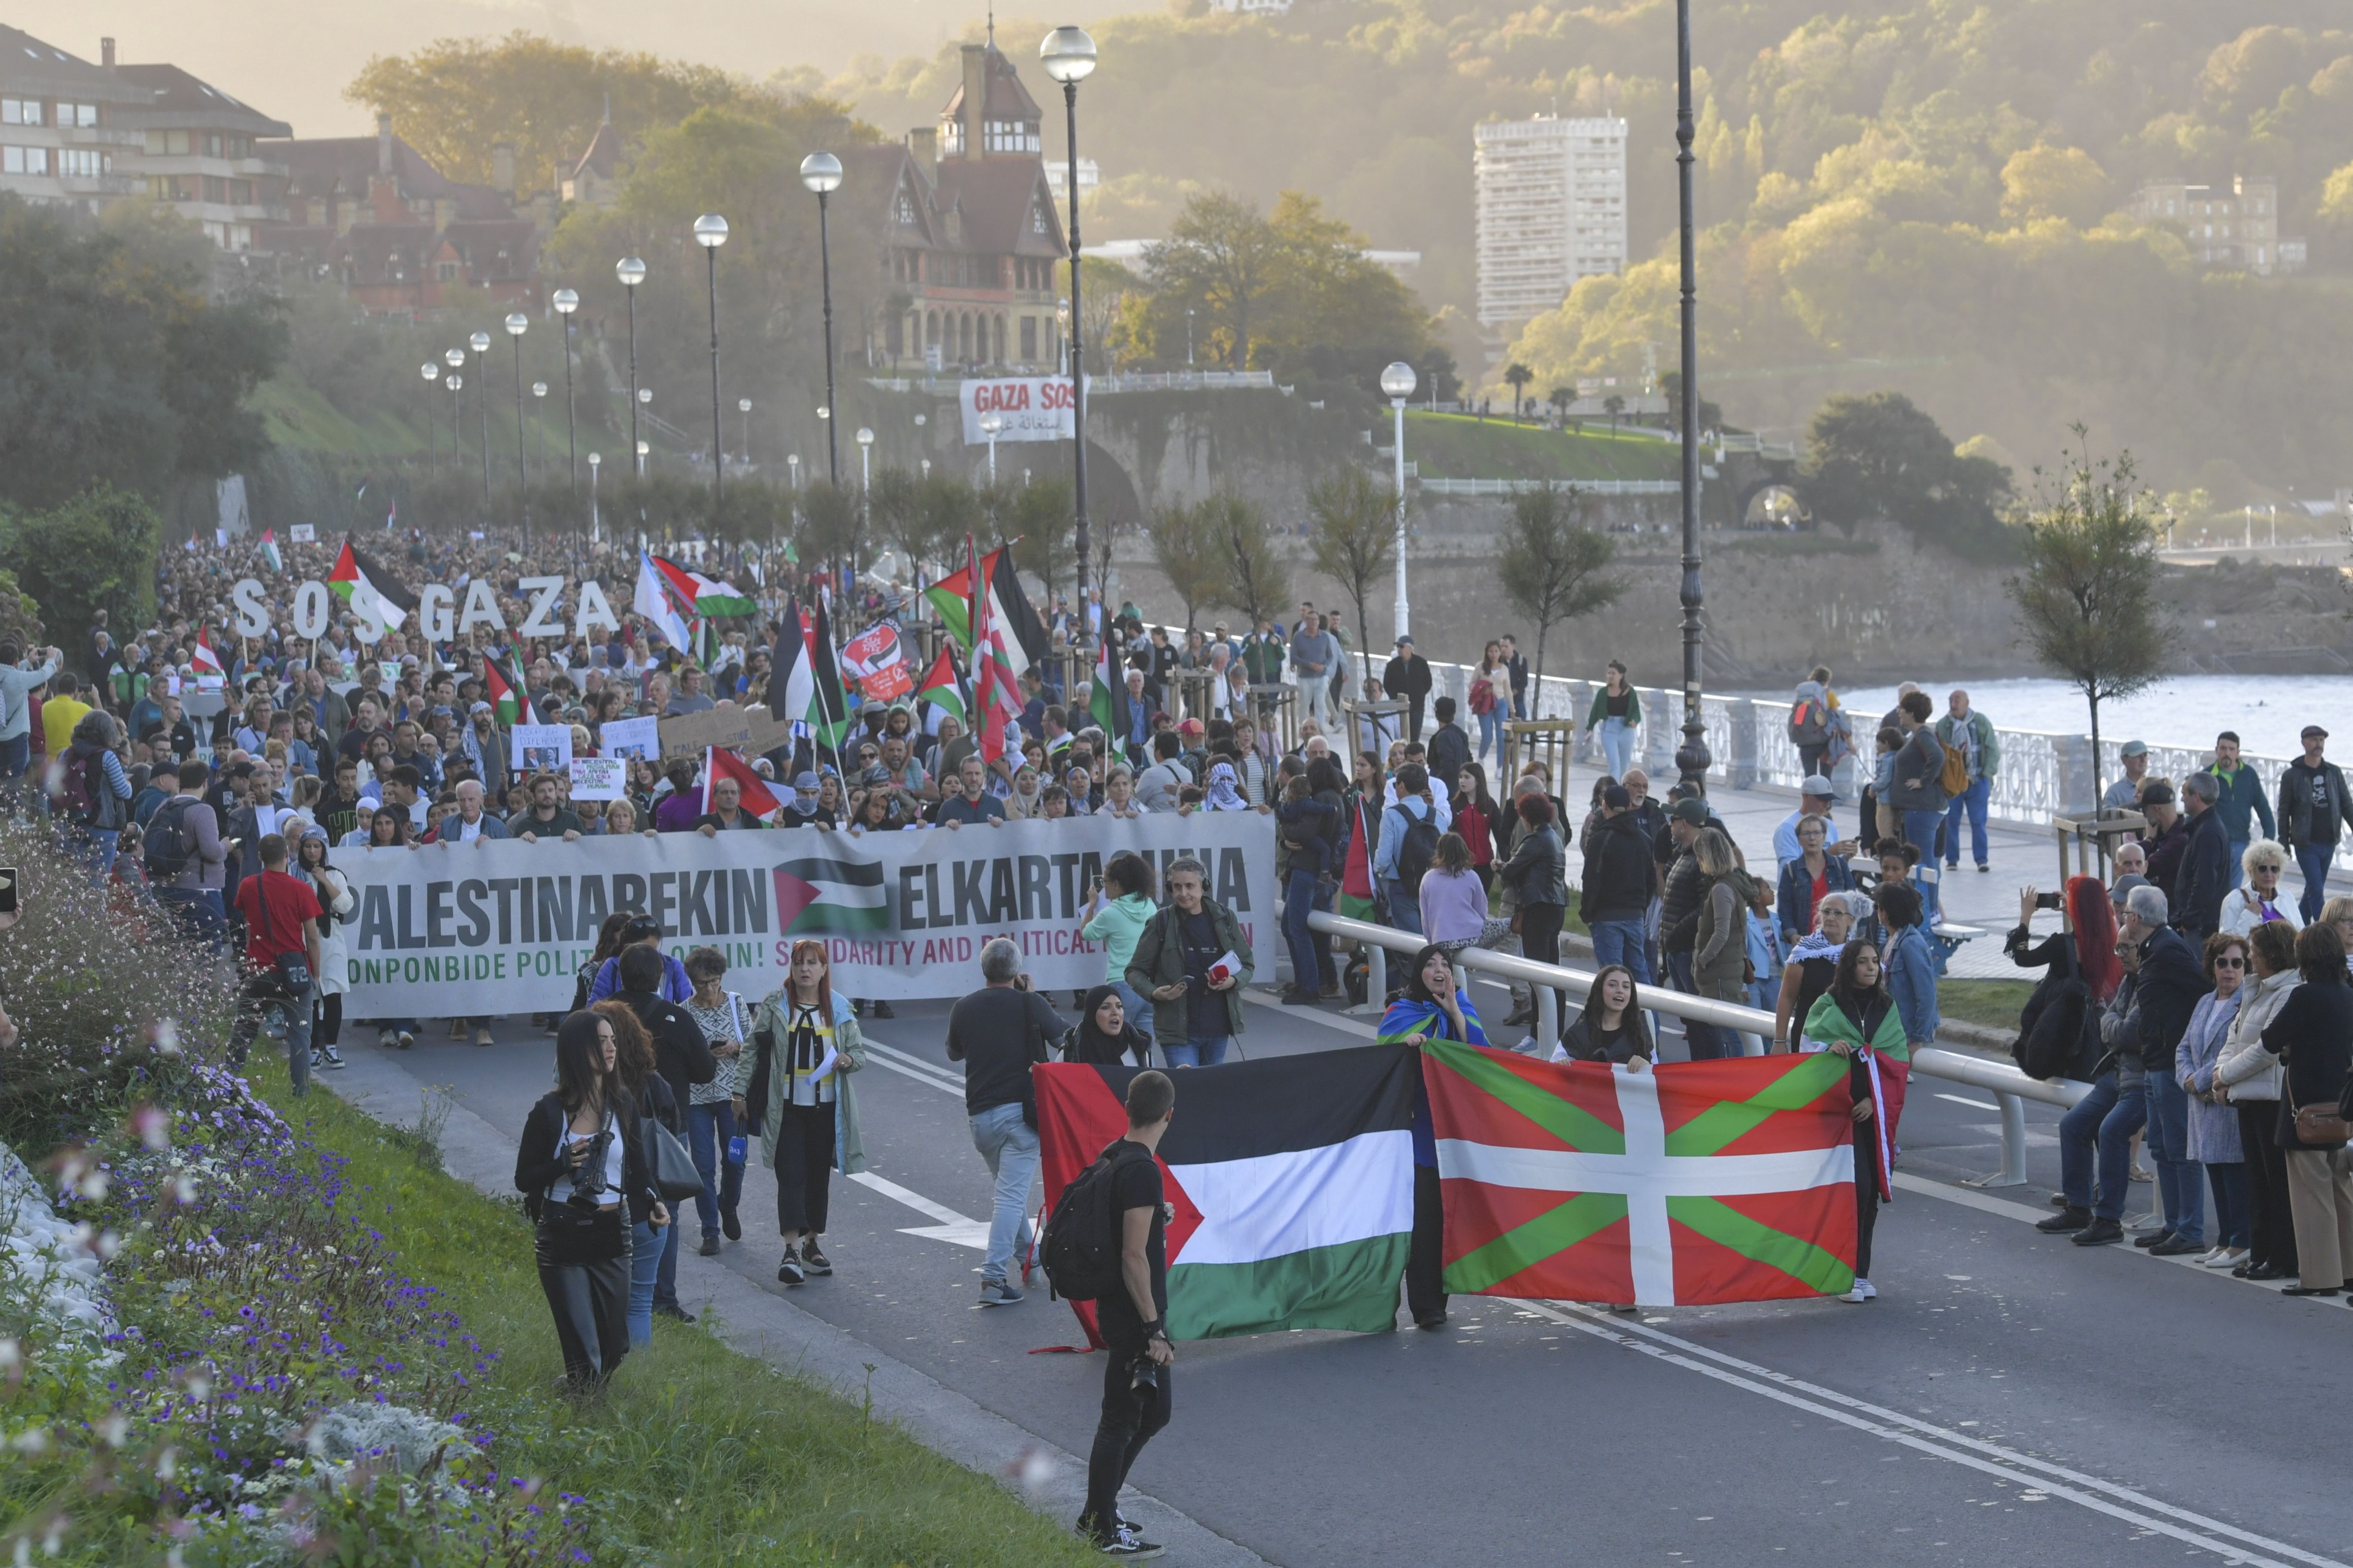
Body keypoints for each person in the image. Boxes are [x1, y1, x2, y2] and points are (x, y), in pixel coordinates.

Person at [516, 1011, 661, 1391]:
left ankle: (575, 1389)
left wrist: (653, 1202)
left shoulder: (623, 1103)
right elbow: (524, 1178)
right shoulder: (549, 1111)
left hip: (613, 1232)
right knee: (585, 1348)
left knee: (615, 1347)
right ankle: (583, 1410)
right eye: (601, 1041)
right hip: (562, 1234)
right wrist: (562, 1163)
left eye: (613, 1039)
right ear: (579, 1049)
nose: (612, 1048)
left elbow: (637, 1170)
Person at [1075, 1070, 1179, 1557]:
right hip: (1134, 1315)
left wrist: (1158, 1212)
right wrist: (1153, 1328)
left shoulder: (1115, 1154)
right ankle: (1100, 1528)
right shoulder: (1142, 1170)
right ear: (1168, 1115)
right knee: (1120, 1419)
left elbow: (1123, 1226)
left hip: (1126, 1310)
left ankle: (1100, 1506)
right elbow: (1133, 1256)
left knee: (1155, 1411)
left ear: (1127, 1108)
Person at [946, 940, 1065, 1306]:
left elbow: (954, 1051)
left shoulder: (965, 1006)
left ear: (984, 969)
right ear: (1017, 969)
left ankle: (1030, 1262)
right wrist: (1030, 999)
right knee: (1011, 1198)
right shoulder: (1030, 1002)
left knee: (1007, 1194)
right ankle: (994, 1277)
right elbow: (1064, 1038)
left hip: (980, 1116)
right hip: (1021, 1115)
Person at [1378, 945, 1487, 1332]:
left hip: (1453, 1134)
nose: (1440, 970)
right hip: (1416, 1131)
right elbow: (1382, 1055)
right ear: (1418, 974)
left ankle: (1437, 1302)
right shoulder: (1401, 1013)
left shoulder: (1465, 1010)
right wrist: (1405, 1048)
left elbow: (1482, 1056)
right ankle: (1420, 1305)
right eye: (1431, 965)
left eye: (1446, 964)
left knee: (1444, 1221)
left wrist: (1455, 1012)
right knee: (1420, 1222)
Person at [746, 940, 865, 1286]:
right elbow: (752, 1050)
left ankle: (812, 1244)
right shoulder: (776, 1005)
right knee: (791, 1175)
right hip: (785, 1109)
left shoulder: (839, 1008)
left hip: (825, 1110)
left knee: (817, 1177)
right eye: (799, 963)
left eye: (813, 963)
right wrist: (739, 1092)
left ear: (824, 969)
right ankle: (790, 1251)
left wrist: (847, 1059)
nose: (805, 969)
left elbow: (859, 1053)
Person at [1799, 939, 1908, 1303]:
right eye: (1863, 962)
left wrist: (1873, 1102)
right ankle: (1841, 1272)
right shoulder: (1827, 1006)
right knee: (1854, 1190)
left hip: (1871, 1116)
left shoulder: (1886, 1006)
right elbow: (1806, 1052)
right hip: (1835, 1115)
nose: (1872, 967)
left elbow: (1896, 1062)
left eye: (1876, 961)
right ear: (1849, 967)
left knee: (1871, 1192)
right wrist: (1829, 1050)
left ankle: (1860, 1275)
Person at [616, 943, 714, 1322]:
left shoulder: (602, 1016)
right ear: (661, 976)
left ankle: (619, 1289)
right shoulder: (676, 1018)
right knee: (664, 1208)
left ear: (619, 974)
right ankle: (662, 1298)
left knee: (611, 1202)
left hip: (610, 1123)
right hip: (665, 1129)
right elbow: (705, 1071)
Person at [2262, 921, 2353, 1296]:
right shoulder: (2348, 994)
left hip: (2306, 1109)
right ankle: (2348, 1268)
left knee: (2311, 1194)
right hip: (2341, 1105)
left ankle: (2320, 1276)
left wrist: (2292, 1047)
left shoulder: (2304, 996)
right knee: (2340, 1188)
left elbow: (2270, 1040)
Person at [2211, 918, 2303, 1281]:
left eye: (2253, 951)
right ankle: (2261, 1252)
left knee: (2275, 1183)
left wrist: (2225, 1075)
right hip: (2247, 1097)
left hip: (2271, 1099)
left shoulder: (2289, 991)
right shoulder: (2255, 988)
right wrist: (2221, 1074)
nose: (2248, 957)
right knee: (2256, 1184)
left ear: (2271, 953)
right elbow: (2234, 1037)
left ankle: (2282, 1257)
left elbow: (2265, 1050)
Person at [1128, 857, 1251, 1068]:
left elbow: (1247, 965)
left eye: (1189, 886)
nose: (1183, 893)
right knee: (1188, 1090)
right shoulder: (1161, 922)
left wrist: (1232, 981)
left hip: (1218, 1028)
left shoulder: (1225, 918)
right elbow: (1134, 972)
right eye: (1177, 887)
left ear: (1204, 886)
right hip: (1177, 1033)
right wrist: (1155, 993)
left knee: (1209, 1094)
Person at [224, 833, 323, 1095]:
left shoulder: (248, 886)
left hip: (259, 972)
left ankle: (224, 1081)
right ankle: (301, 1093)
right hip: (295, 973)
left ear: (259, 857)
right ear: (287, 856)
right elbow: (312, 937)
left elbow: (248, 924)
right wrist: (316, 974)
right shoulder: (301, 889)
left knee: (243, 1031)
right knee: (300, 1038)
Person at [2176, 932, 2249, 1271]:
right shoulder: (2205, 1001)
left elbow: (2233, 1051)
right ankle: (2224, 1238)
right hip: (2201, 1103)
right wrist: (2187, 1079)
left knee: (2234, 1173)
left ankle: (2241, 1241)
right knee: (2215, 1171)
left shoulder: (2246, 1002)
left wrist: (2201, 1079)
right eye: (2223, 962)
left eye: (2237, 962)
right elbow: (2183, 1047)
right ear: (2213, 966)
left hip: (2226, 1101)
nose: (2230, 970)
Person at [2002, 877, 2119, 1082]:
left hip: (2062, 1030)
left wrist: (2025, 916)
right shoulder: (2110, 943)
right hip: (2094, 1032)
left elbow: (2023, 958)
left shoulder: (2061, 945)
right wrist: (2076, 911)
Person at [681, 947, 751, 1258]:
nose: (709, 989)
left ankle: (729, 1205)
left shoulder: (736, 1003)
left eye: (714, 981)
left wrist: (735, 1047)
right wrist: (702, 1055)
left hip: (734, 1098)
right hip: (697, 1099)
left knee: (735, 1160)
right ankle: (710, 1230)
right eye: (702, 983)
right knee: (703, 1167)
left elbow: (754, 1047)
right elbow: (677, 1058)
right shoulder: (683, 1012)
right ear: (692, 983)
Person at [1496, 792, 1569, 1042]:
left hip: (1538, 909)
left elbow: (1510, 871)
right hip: (1556, 907)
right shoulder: (1555, 838)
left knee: (1537, 976)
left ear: (1526, 817)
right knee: (1552, 974)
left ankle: (1538, 1037)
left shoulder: (1535, 840)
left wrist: (1499, 866)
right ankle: (1553, 1033)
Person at [1081, 853, 1160, 1050]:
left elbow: (1086, 933)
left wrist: (1092, 904)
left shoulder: (1111, 913)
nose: (1103, 886)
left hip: (1122, 984)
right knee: (1145, 1045)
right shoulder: (1150, 905)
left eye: (1104, 881)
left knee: (1117, 1045)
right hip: (1149, 984)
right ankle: (1146, 1079)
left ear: (1116, 885)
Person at [1579, 783, 1656, 985]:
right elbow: (1651, 880)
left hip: (1607, 918)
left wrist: (1587, 914)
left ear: (1605, 806)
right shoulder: (1644, 840)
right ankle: (1650, 1017)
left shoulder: (1602, 839)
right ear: (1630, 806)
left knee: (1611, 978)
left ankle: (1615, 1017)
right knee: (1640, 975)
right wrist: (1641, 907)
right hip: (1635, 916)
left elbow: (1591, 880)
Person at [2275, 725, 2351, 923]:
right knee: (2317, 890)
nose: (2318, 744)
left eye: (2321, 740)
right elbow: (2284, 811)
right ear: (2304, 743)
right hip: (2305, 843)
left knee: (2312, 888)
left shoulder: (2333, 772)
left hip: (2330, 841)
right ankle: (2325, 932)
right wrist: (2283, 843)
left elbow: (2346, 804)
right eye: (2314, 740)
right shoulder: (2292, 776)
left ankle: (2297, 926)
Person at [1273, 774, 1338, 1004]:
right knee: (1289, 926)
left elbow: (1302, 834)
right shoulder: (1321, 801)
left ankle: (1310, 987)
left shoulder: (1315, 805)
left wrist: (1287, 831)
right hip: (1303, 868)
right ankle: (1304, 982)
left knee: (1298, 929)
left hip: (1305, 870)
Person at [295, 829, 353, 1074]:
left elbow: (345, 905)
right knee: (311, 996)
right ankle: (314, 1049)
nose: (312, 851)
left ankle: (332, 1046)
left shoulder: (335, 875)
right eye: (307, 846)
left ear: (324, 848)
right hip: (303, 936)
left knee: (333, 994)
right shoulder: (294, 874)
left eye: (316, 846)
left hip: (332, 937)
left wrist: (325, 880)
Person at [1775, 891, 1862, 1053]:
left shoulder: (1859, 954)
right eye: (1826, 912)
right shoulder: (1803, 952)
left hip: (1849, 1040)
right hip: (1808, 1039)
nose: (1830, 917)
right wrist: (1780, 1041)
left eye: (1838, 913)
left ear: (1851, 920)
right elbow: (1787, 997)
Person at [1888, 692, 1947, 911]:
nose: (1899, 713)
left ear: (1911, 713)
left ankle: (1929, 909)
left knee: (1924, 861)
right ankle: (1926, 906)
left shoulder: (1923, 734)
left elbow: (1938, 756)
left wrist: (1924, 781)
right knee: (1924, 860)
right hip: (1919, 809)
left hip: (1922, 809)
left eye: (1902, 709)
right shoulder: (1918, 735)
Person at [1875, 882, 1939, 1071]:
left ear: (1885, 913)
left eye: (1877, 907)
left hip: (1907, 1034)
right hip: (1893, 1030)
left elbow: (1927, 995)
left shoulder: (1909, 944)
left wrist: (1918, 1039)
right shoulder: (1891, 942)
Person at [1934, 689, 1999, 874]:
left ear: (1967, 703)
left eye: (1957, 700)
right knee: (1951, 821)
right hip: (1953, 784)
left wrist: (1987, 775)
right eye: (1951, 700)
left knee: (1978, 822)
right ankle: (1952, 859)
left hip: (1978, 781)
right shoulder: (1943, 725)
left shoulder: (1981, 722)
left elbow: (1993, 749)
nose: (1953, 704)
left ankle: (1981, 860)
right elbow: (1938, 752)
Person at [2201, 731, 2275, 892]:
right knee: (2211, 888)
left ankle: (2227, 917)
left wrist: (2269, 841)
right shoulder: (2207, 776)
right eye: (2223, 748)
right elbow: (2195, 811)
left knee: (2233, 892)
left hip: (2241, 843)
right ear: (2217, 750)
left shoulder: (2249, 775)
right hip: (2214, 843)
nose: (2227, 753)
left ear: (2238, 753)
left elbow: (2263, 807)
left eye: (2232, 749)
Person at [1374, 762, 1439, 938]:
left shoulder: (1392, 815)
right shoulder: (1437, 816)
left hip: (1401, 886)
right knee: (1433, 939)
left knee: (1412, 944)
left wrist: (1377, 870)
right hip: (1433, 887)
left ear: (1401, 786)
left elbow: (1384, 860)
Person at [1776, 813, 1856, 950]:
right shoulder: (1791, 870)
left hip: (1838, 941)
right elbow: (1785, 906)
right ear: (1799, 840)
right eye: (1806, 833)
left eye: (1817, 833)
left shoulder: (1839, 865)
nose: (1812, 838)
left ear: (1824, 837)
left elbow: (1854, 899)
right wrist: (1792, 933)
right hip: (1805, 941)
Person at [1554, 963, 1653, 1068]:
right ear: (1600, 990)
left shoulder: (1640, 1032)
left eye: (1626, 987)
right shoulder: (1579, 1033)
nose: (1620, 991)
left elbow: (1656, 1074)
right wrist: (1561, 1065)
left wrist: (1646, 1066)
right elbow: (1553, 1071)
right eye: (1612, 985)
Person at [2172, 772, 2231, 940]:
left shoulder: (2208, 833)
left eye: (2184, 794)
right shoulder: (2207, 827)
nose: (2182, 799)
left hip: (2200, 927)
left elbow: (2205, 881)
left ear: (2196, 797)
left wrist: (2190, 918)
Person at [2220, 839, 2303, 939]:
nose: (2269, 874)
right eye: (2262, 869)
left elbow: (2301, 936)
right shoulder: (2235, 899)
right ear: (2251, 870)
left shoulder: (2287, 897)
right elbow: (2225, 943)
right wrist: (2249, 916)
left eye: (2274, 869)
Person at [1067, 984, 1154, 1067]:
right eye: (1106, 1007)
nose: (1115, 1012)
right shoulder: (1072, 1051)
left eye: (1119, 1006)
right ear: (1092, 1014)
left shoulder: (1139, 1046)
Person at [1585, 660, 1640, 781]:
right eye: (1609, 673)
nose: (1610, 676)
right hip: (1609, 729)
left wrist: (1634, 721)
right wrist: (1590, 728)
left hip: (1626, 730)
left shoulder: (1630, 692)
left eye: (1613, 673)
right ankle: (1614, 793)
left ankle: (1624, 792)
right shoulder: (1603, 693)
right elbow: (1595, 711)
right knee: (1614, 764)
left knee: (1625, 765)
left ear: (1621, 675)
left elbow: (1636, 711)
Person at [1383, 635, 1432, 740]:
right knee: (1399, 738)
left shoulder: (1421, 663)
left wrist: (1419, 694)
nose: (1399, 649)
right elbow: (1387, 684)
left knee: (1414, 737)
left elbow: (1428, 683)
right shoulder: (1392, 665)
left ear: (1410, 648)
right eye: (1398, 646)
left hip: (1416, 706)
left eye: (1402, 646)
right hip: (1398, 707)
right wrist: (1395, 697)